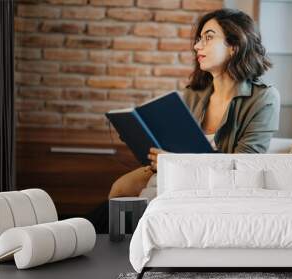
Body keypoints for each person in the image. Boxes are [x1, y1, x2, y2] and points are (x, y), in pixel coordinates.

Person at [108, 8, 280, 200]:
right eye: (198, 39)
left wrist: (178, 163)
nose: (197, 46)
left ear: (235, 46)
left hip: (220, 186)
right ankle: (115, 231)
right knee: (119, 190)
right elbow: (174, 144)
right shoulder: (193, 93)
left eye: (208, 37)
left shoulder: (264, 98)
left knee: (143, 200)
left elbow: (244, 166)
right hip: (177, 171)